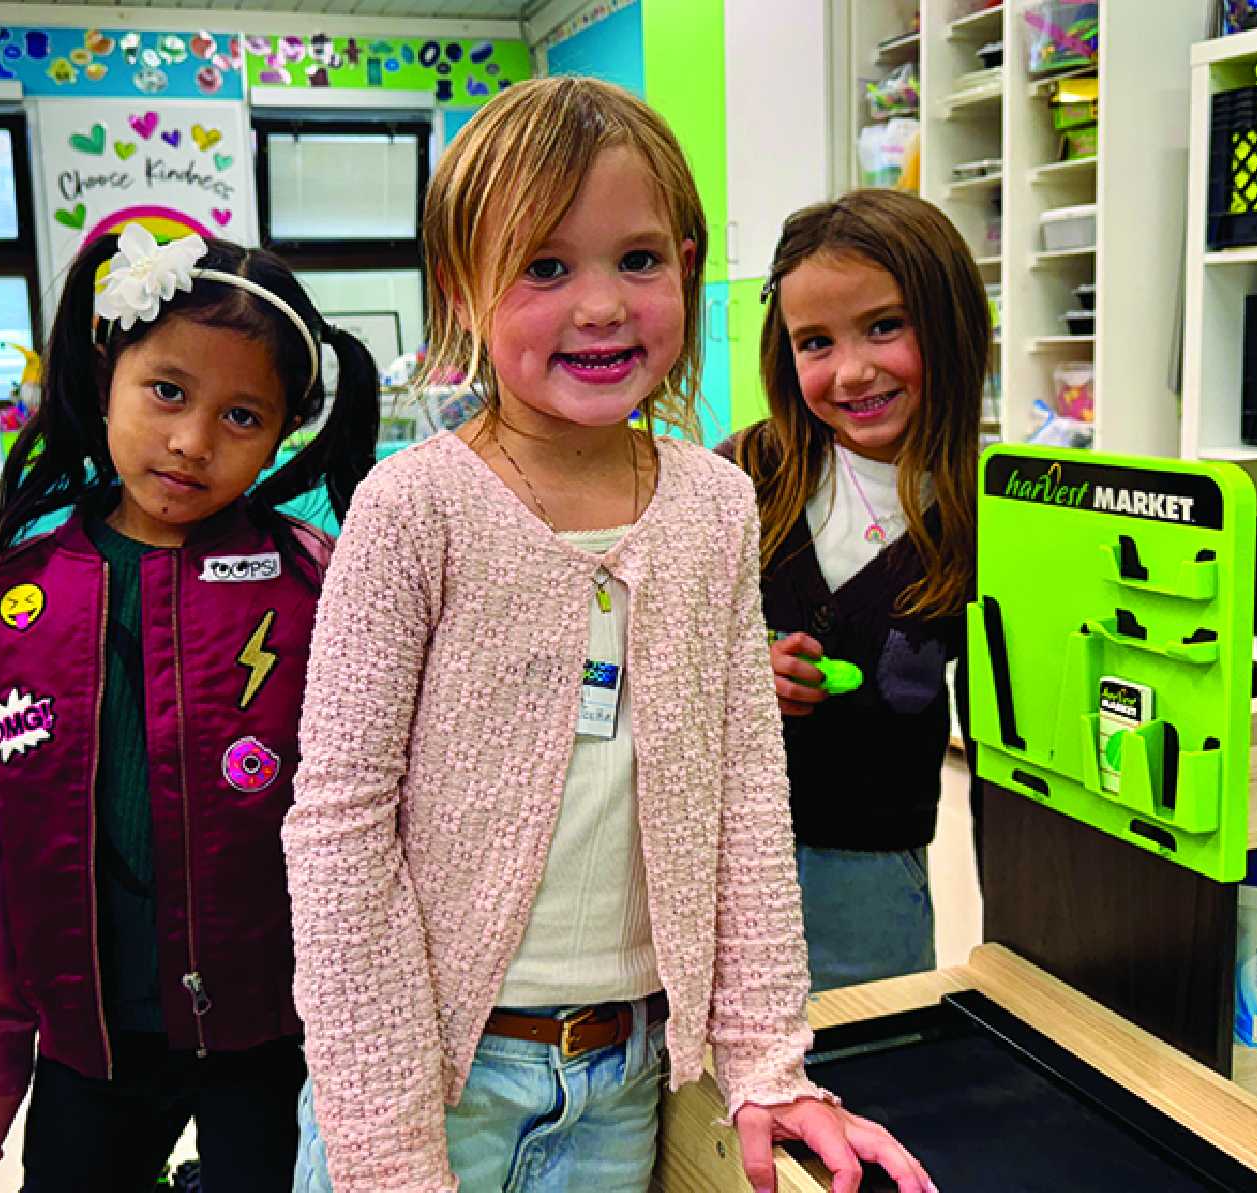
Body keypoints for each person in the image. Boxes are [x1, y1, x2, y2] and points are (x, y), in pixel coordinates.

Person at [285, 78, 938, 1193]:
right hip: (434, 1083)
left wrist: (767, 1062)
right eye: (545, 267)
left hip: (626, 1079)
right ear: (463, 288)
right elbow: (341, 826)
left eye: (637, 260)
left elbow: (744, 790)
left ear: (685, 265)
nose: (601, 306)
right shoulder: (412, 508)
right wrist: (387, 1144)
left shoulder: (714, 504)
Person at [0, 222, 380, 1192]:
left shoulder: (318, 583)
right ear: (105, 376)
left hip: (275, 1032)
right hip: (90, 1039)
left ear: (284, 429)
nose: (193, 441)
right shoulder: (17, 599)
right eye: (167, 390)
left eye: (242, 414)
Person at [726, 190, 987, 992]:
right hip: (720, 856)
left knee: (870, 1053)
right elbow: (648, 644)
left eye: (884, 326)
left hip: (873, 875)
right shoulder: (738, 475)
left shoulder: (986, 513)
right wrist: (736, 672)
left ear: (949, 322)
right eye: (816, 342)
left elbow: (1014, 747)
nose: (851, 370)